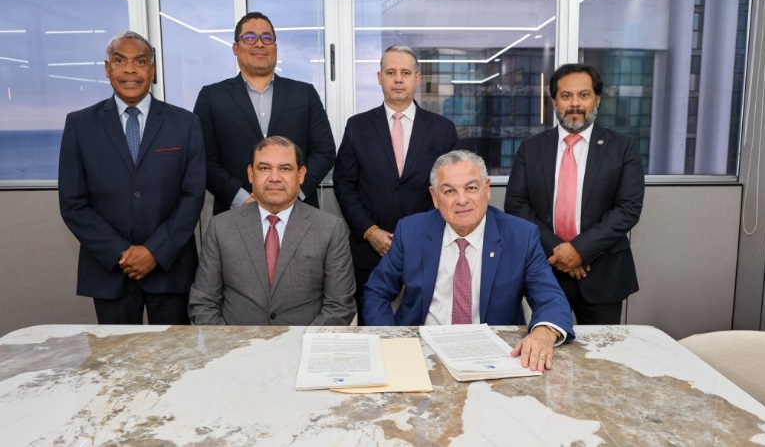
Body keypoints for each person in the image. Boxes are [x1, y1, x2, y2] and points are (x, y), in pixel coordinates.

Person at [363, 150, 575, 371]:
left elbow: (551, 298)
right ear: (435, 197)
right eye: (449, 191)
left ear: (487, 189)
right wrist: (392, 341)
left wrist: (543, 332)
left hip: (495, 354)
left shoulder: (520, 236)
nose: (462, 200)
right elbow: (376, 291)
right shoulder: (411, 231)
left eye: (471, 188)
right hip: (422, 351)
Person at [58, 31, 205, 325]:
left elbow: (193, 196)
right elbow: (73, 203)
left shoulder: (185, 123)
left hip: (170, 268)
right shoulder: (79, 124)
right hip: (109, 270)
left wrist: (154, 251)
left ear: (152, 70)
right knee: (116, 354)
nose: (129, 70)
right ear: (107, 68)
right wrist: (121, 253)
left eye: (140, 61)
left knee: (175, 354)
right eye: (119, 60)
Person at [504, 63, 645, 325]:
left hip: (603, 274)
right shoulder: (531, 148)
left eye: (584, 95)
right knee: (545, 342)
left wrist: (579, 250)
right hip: (546, 268)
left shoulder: (623, 147)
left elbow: (628, 209)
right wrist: (561, 252)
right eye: (566, 96)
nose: (575, 104)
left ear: (597, 99)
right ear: (554, 101)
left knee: (603, 348)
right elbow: (516, 205)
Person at [333, 45, 458, 323]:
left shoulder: (442, 129)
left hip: (428, 244)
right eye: (391, 73)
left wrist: (417, 234)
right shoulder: (357, 126)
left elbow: (449, 188)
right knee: (372, 325)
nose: (398, 79)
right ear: (380, 78)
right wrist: (370, 231)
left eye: (405, 73)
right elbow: (344, 184)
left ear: (417, 78)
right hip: (369, 248)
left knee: (425, 324)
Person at [189, 136, 356, 326]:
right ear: (251, 174)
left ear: (301, 175)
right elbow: (203, 303)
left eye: (285, 169)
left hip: (303, 342)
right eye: (264, 168)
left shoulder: (330, 229)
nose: (274, 178)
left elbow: (339, 306)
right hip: (236, 343)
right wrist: (230, 343)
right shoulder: (221, 227)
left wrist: (302, 342)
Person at [194, 11, 335, 214]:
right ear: (235, 48)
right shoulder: (211, 97)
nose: (259, 44)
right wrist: (241, 199)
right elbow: (203, 158)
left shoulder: (305, 94)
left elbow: (325, 151)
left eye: (267, 38)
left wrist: (294, 194)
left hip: (299, 212)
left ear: (275, 47)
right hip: (235, 214)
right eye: (250, 37)